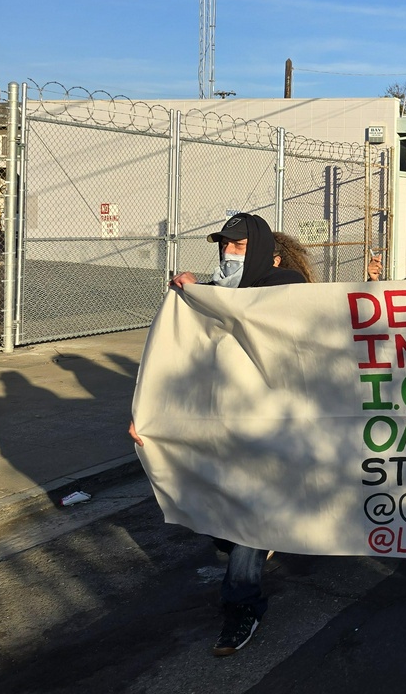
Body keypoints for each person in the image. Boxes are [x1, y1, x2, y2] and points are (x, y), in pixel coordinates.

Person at [128, 213, 306, 657]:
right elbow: (179, 355)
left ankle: (240, 607)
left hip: (270, 428)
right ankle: (254, 543)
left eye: (239, 247)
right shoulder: (213, 293)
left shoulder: (285, 288)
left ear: (261, 250)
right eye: (224, 246)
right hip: (220, 425)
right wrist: (149, 414)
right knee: (222, 515)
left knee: (245, 513)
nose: (228, 254)